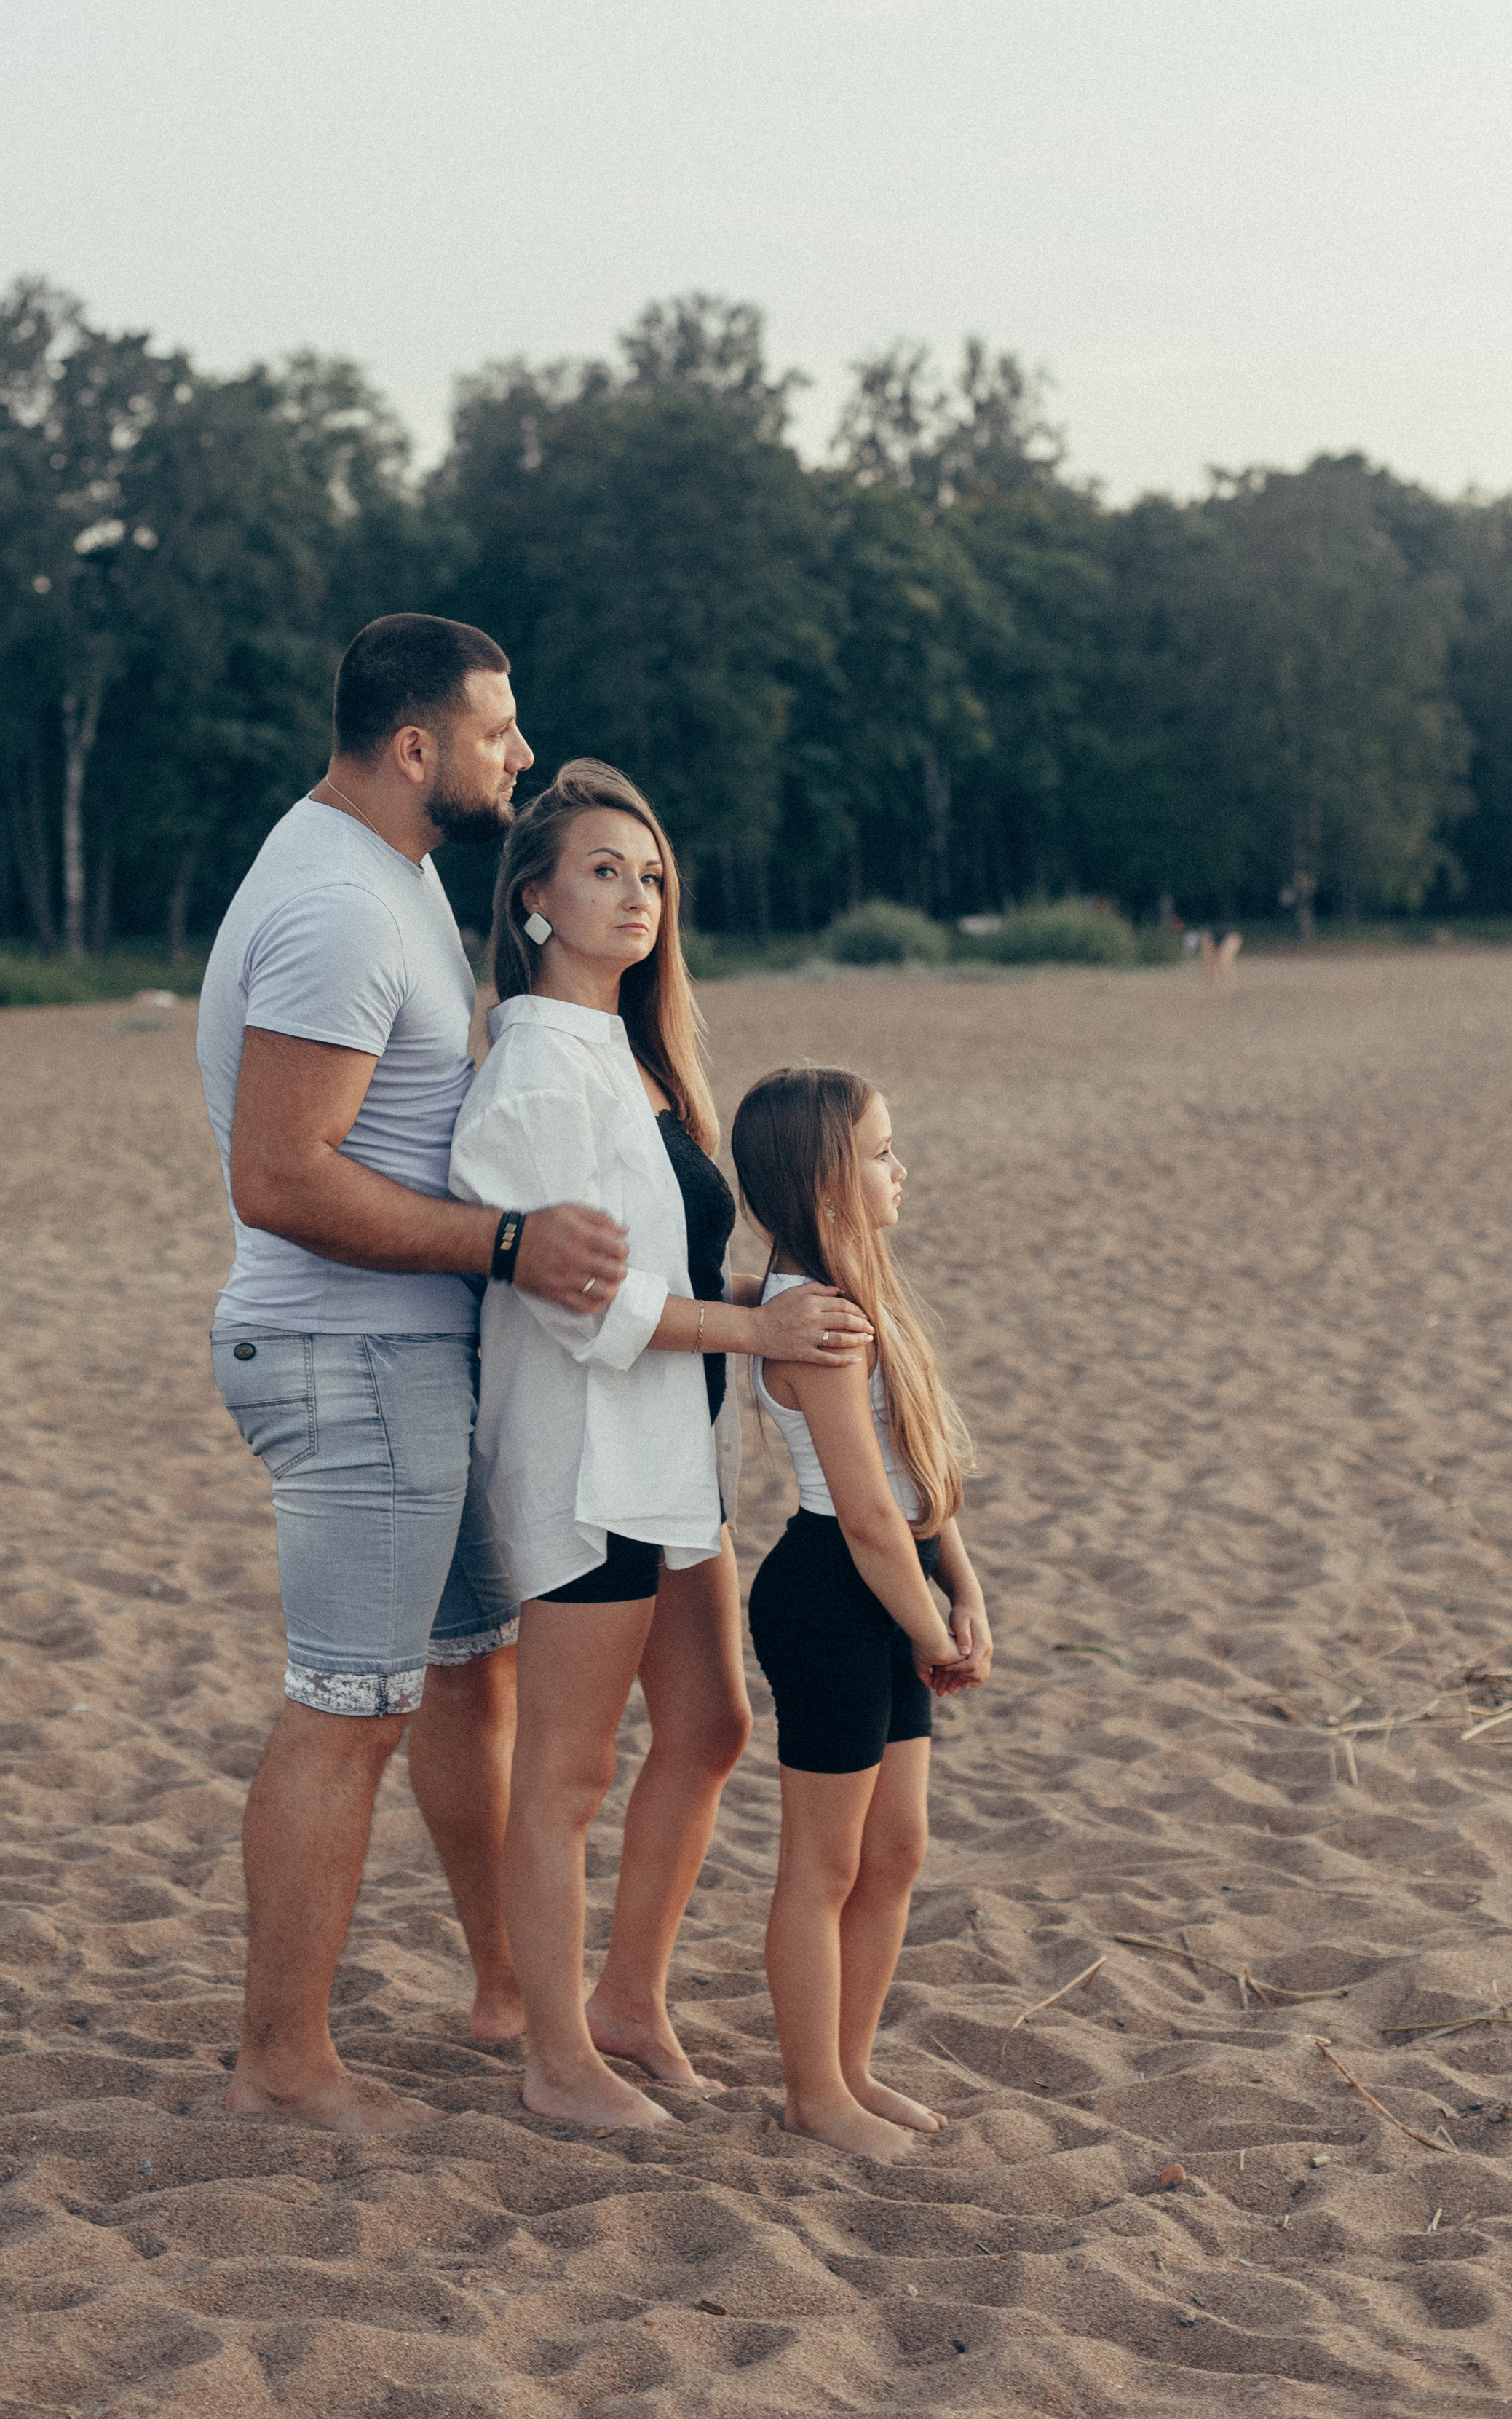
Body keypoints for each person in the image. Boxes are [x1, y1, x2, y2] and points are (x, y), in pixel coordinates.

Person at [197, 615, 631, 2134]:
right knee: (347, 1708)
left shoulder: (388, 877)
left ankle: (511, 1990)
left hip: (406, 1360)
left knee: (470, 1663)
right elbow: (281, 1176)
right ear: (413, 749)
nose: (520, 757)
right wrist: (507, 1243)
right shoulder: (332, 903)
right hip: (344, 1356)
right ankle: (282, 2068)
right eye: (498, 734)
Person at [448, 761, 876, 2128]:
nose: (635, 897)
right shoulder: (530, 1063)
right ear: (533, 902)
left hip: (673, 1459)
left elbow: (677, 1259)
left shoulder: (638, 1057)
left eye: (651, 877)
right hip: (584, 1455)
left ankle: (630, 2001)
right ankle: (556, 2055)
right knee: (567, 1771)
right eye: (601, 873)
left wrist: (772, 1299)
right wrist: (752, 1340)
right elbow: (574, 1297)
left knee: (708, 1726)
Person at [732, 1065, 993, 2163]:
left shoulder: (864, 1290)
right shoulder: (811, 1318)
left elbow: (914, 1471)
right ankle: (812, 2094)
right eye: (882, 1152)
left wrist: (965, 1585)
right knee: (824, 1864)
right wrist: (927, 1628)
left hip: (890, 1589)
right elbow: (866, 1513)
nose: (901, 1169)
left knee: (897, 1851)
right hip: (829, 1596)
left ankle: (851, 2066)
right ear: (827, 1180)